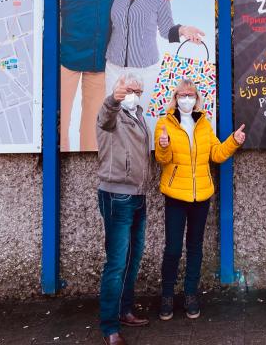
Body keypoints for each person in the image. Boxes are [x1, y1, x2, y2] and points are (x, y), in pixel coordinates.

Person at [60, 0, 173, 151]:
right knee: (61, 121)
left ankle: (87, 172)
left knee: (94, 125)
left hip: (101, 61)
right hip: (67, 58)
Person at [154, 79, 246, 320]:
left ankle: (191, 293)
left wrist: (233, 141)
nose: (186, 99)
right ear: (175, 98)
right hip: (175, 195)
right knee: (173, 248)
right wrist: (163, 146)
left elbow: (215, 154)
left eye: (190, 95)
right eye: (182, 95)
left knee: (195, 247)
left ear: (196, 98)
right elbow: (162, 160)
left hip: (201, 195)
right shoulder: (164, 123)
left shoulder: (204, 124)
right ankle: (166, 295)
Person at [104, 0, 204, 127]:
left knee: (144, 126)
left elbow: (166, 29)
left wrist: (183, 29)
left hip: (145, 72)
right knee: (115, 124)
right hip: (114, 69)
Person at [96, 72, 152, 345]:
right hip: (117, 194)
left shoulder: (139, 115)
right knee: (116, 262)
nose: (134, 95)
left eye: (138, 91)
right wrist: (113, 100)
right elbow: (106, 117)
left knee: (133, 257)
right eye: (129, 89)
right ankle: (109, 327)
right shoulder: (112, 113)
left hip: (138, 195)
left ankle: (124, 309)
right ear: (119, 90)